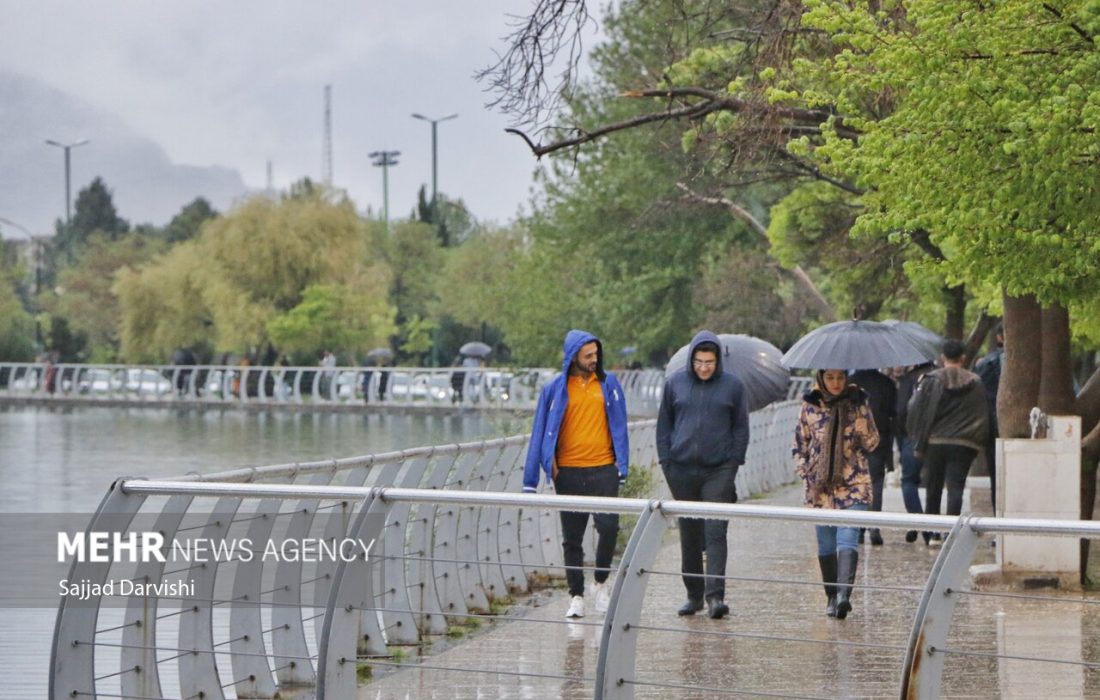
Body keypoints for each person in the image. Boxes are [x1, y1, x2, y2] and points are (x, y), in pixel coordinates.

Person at [523, 329, 629, 619]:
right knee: (572, 538)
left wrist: (622, 465)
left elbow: (620, 426)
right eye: (588, 356)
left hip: (604, 468)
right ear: (573, 357)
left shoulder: (609, 385)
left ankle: (600, 582)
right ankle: (577, 596)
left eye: (597, 354)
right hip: (568, 472)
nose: (595, 360)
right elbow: (538, 433)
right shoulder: (555, 389)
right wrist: (533, 479)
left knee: (608, 528)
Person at [657, 330, 750, 619]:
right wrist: (666, 462)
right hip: (681, 468)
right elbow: (664, 427)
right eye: (698, 361)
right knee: (690, 533)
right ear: (691, 359)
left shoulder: (733, 387)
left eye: (709, 362)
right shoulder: (675, 384)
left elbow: (740, 428)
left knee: (715, 531)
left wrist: (733, 462)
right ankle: (693, 595)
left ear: (718, 361)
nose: (704, 367)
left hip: (719, 469)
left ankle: (715, 596)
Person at [794, 369, 879, 620]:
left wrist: (862, 422)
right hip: (821, 488)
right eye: (830, 378)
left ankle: (844, 596)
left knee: (848, 536)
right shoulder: (809, 407)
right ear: (821, 379)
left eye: (840, 378)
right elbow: (799, 444)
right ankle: (831, 596)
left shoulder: (858, 404)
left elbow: (873, 443)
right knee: (826, 544)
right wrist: (804, 470)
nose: (835, 383)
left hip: (854, 483)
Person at [906, 339, 989, 542]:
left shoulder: (930, 380)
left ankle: (931, 533)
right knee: (956, 488)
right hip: (963, 444)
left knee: (933, 488)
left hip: (934, 442)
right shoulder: (976, 382)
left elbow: (915, 409)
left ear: (943, 358)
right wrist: (977, 441)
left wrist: (916, 436)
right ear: (963, 358)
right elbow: (982, 413)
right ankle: (951, 533)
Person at [849, 369, 897, 545]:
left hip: (854, 439)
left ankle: (858, 529)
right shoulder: (886, 383)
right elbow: (894, 411)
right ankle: (874, 526)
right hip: (879, 437)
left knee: (857, 481)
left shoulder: (850, 382)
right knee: (876, 482)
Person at [895, 361, 935, 542]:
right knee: (935, 484)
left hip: (912, 437)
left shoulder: (907, 380)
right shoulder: (939, 377)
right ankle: (932, 529)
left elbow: (900, 411)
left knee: (909, 481)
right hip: (936, 437)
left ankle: (918, 520)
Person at [974, 323, 1004, 512]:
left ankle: (999, 519)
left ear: (999, 338)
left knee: (996, 475)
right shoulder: (1035, 361)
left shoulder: (986, 364)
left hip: (992, 425)